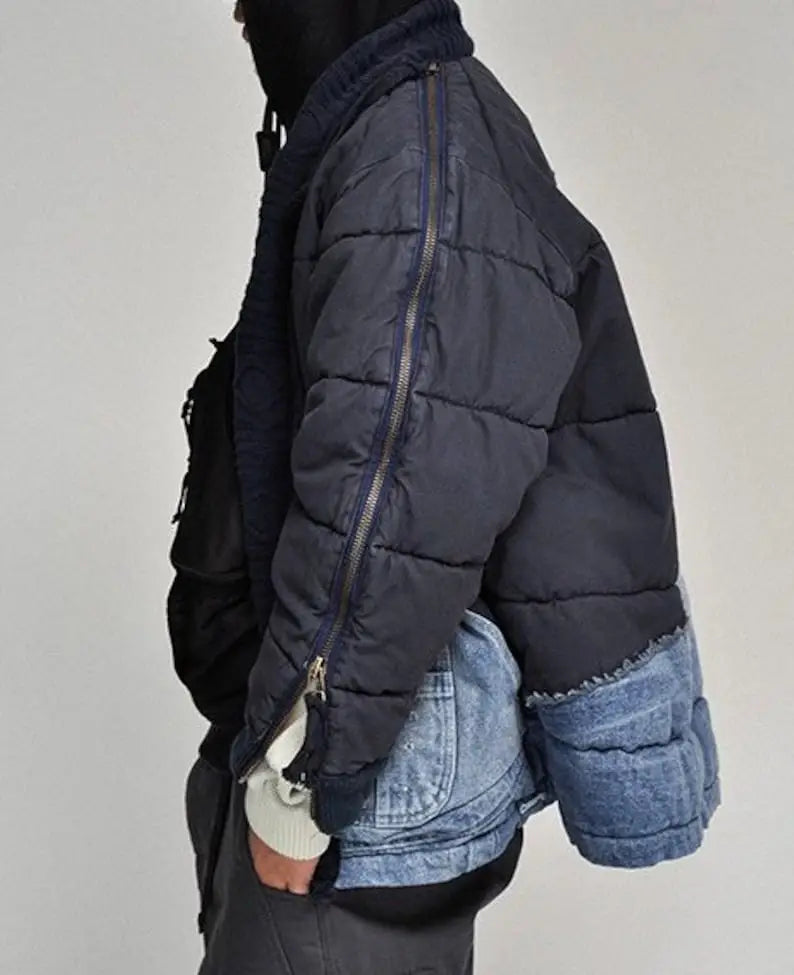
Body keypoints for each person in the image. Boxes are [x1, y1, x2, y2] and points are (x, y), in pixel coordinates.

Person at [178, 1, 722, 972]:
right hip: (361, 751)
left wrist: (299, 782)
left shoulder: (415, 155)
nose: (238, 15)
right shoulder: (415, 128)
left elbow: (389, 481)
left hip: (352, 790)